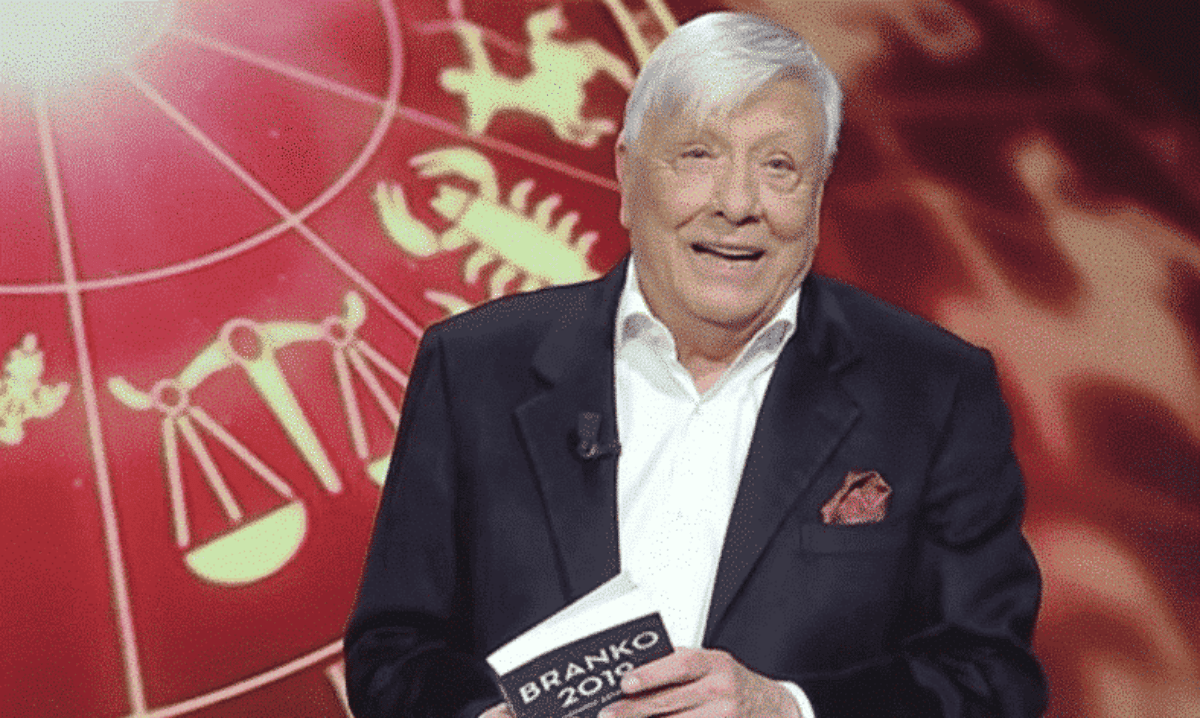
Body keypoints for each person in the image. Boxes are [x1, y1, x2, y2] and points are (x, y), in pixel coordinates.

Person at [345, 11, 1047, 718]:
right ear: (626, 171)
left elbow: (992, 677)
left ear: (819, 188)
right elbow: (394, 651)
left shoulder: (933, 390)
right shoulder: (472, 368)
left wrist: (787, 709)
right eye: (698, 156)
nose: (737, 205)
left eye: (778, 166)